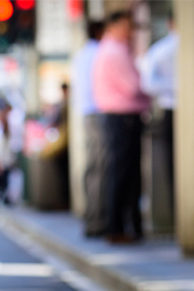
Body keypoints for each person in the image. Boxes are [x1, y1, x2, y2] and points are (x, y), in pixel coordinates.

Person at [92, 10, 150, 243]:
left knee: (123, 173)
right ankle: (118, 226)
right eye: (127, 26)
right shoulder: (115, 52)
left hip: (120, 118)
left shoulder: (111, 50)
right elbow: (134, 85)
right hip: (122, 118)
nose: (130, 32)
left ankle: (125, 225)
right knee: (124, 174)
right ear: (114, 26)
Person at [140, 16, 178, 216]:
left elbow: (148, 83)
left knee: (171, 164)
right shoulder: (162, 50)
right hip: (175, 110)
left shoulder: (159, 50)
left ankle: (175, 210)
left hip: (170, 109)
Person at [72, 21, 106, 236]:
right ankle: (97, 219)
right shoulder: (98, 54)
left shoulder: (82, 54)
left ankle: (92, 216)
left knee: (93, 165)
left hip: (87, 112)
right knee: (100, 166)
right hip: (98, 111)